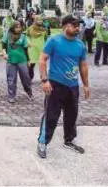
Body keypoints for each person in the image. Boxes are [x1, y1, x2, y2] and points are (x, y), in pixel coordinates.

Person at [37, 15, 90, 159]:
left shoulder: (80, 45)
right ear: (65, 26)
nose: (77, 28)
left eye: (78, 26)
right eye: (74, 25)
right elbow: (42, 59)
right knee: (51, 115)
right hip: (55, 85)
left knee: (72, 115)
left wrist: (86, 85)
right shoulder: (54, 41)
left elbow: (83, 66)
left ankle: (69, 140)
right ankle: (43, 142)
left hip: (73, 86)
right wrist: (44, 80)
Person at [2, 21, 33, 103]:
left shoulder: (23, 36)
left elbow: (26, 50)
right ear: (12, 27)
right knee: (11, 79)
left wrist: (28, 60)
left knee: (26, 78)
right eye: (16, 27)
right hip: (11, 60)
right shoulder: (7, 35)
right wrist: (4, 54)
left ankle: (29, 92)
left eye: (19, 27)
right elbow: (3, 46)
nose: (18, 28)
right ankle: (11, 96)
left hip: (22, 60)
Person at [26, 16, 49, 80]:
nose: (40, 21)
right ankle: (29, 77)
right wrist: (28, 42)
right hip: (32, 48)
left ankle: (44, 77)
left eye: (41, 20)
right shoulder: (30, 28)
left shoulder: (44, 29)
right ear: (35, 20)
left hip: (42, 48)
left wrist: (47, 48)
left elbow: (46, 39)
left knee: (42, 63)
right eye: (38, 20)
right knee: (32, 64)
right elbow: (27, 36)